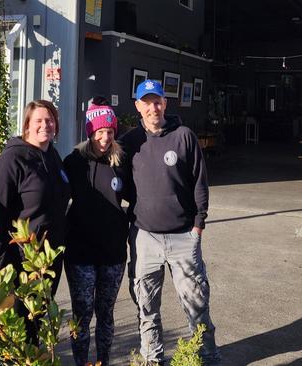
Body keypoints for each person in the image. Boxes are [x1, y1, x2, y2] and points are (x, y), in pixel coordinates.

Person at [120, 80, 220, 365]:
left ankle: (206, 355)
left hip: (182, 236)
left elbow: (200, 181)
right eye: (146, 102)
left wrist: (198, 224)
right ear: (138, 106)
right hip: (144, 236)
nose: (153, 107)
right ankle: (153, 358)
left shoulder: (184, 136)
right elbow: (122, 184)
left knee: (196, 303)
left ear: (165, 103)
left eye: (157, 101)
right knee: (146, 305)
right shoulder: (129, 142)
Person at [0, 99, 70, 339]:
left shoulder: (52, 156)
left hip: (46, 263)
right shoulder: (11, 161)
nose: (45, 125)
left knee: (35, 327)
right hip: (17, 264)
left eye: (50, 120)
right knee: (11, 333)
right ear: (27, 125)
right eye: (38, 120)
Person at [62, 97, 129, 366]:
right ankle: (80, 362)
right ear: (90, 132)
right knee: (82, 314)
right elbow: (54, 195)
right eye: (100, 132)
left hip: (113, 253)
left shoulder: (122, 163)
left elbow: (137, 196)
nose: (105, 137)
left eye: (110, 132)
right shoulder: (74, 161)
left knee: (106, 313)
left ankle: (103, 361)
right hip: (80, 253)